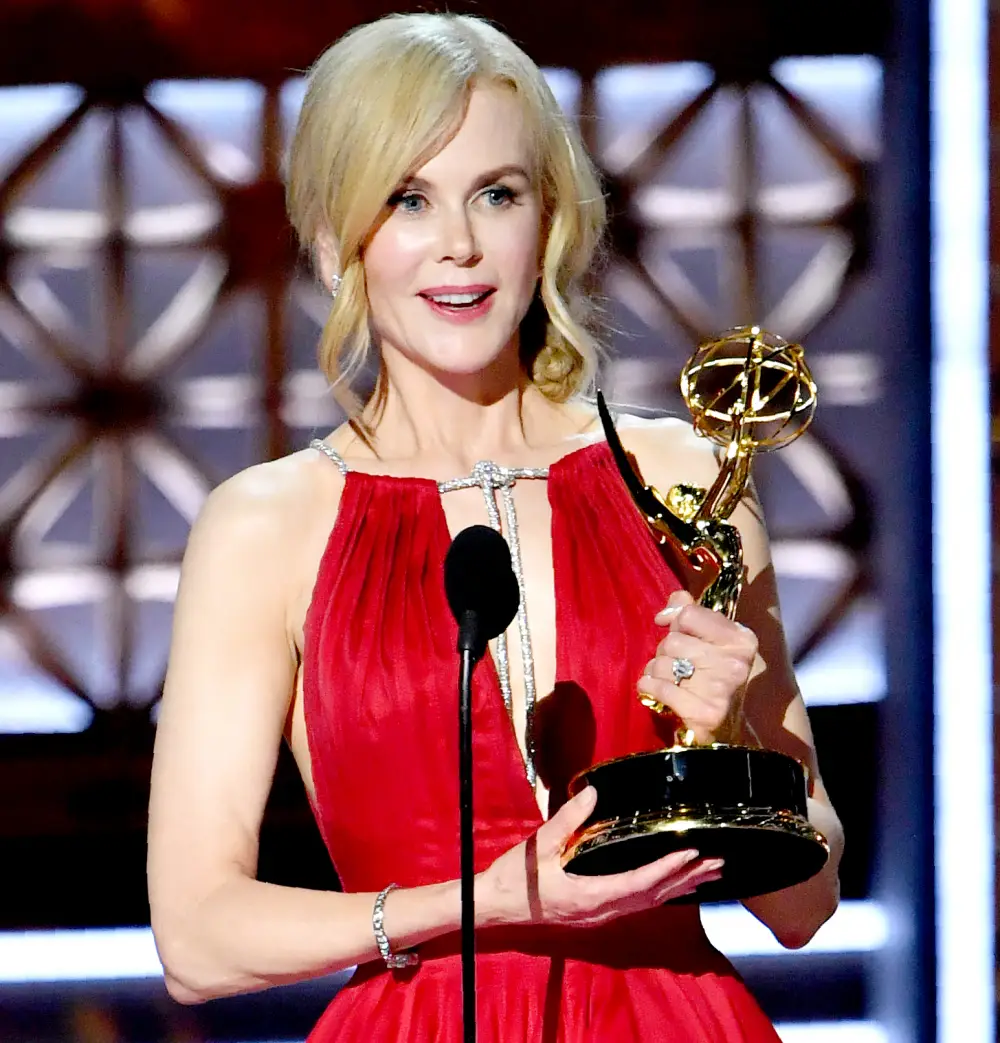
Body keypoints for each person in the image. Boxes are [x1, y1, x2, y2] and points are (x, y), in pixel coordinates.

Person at [147, 12, 844, 1041]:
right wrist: (492, 898)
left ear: (548, 217)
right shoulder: (268, 525)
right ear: (335, 239)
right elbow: (198, 938)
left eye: (496, 194)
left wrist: (727, 736)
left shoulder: (682, 480)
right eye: (408, 199)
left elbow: (806, 905)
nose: (460, 245)